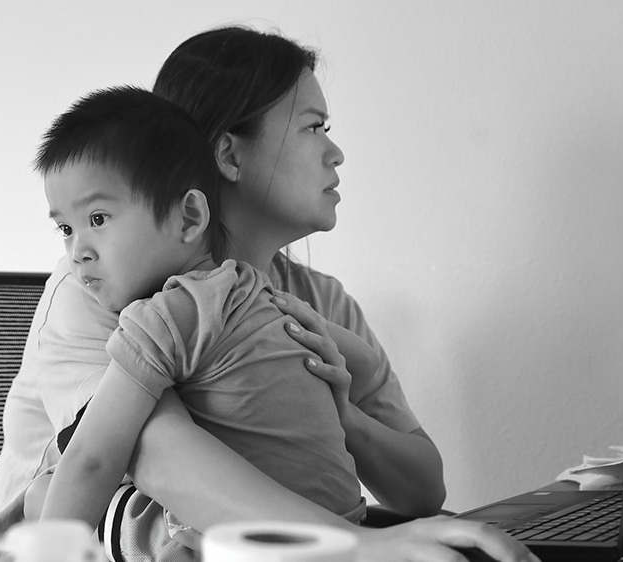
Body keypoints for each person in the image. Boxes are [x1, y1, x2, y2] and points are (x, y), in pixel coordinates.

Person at [0, 25, 539, 562]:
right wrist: (358, 546)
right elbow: (149, 453)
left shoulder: (319, 301)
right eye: (313, 127)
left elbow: (422, 490)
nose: (335, 152)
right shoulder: (96, 288)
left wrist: (343, 417)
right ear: (230, 155)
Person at [33, 82, 371, 535]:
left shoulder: (163, 316)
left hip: (255, 547)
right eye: (66, 229)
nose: (78, 252)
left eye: (98, 219)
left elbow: (92, 459)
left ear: (189, 216)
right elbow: (364, 359)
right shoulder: (255, 290)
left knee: (41, 497)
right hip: (349, 521)